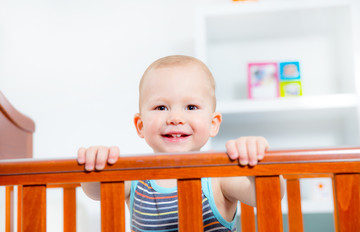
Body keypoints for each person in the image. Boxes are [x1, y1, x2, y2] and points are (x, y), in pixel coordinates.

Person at [77, 55, 284, 232]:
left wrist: (255, 161)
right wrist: (96, 163)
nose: (175, 118)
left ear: (213, 124)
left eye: (191, 107)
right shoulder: (135, 178)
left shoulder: (219, 177)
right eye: (160, 107)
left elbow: (270, 195)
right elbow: (95, 191)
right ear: (140, 125)